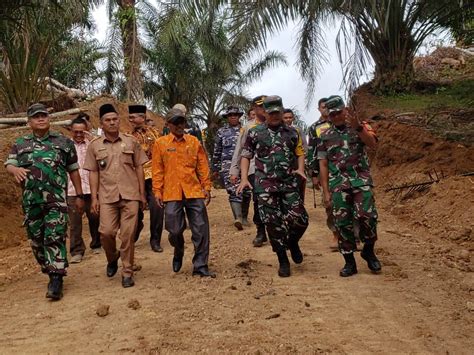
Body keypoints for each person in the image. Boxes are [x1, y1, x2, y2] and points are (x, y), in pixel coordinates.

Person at [5, 103, 84, 300]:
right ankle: (48, 268)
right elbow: (10, 164)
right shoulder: (20, 144)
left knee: (55, 236)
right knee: (37, 240)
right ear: (29, 122)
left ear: (49, 119)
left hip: (56, 201)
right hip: (32, 202)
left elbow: (73, 169)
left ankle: (56, 278)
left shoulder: (63, 142)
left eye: (44, 116)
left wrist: (80, 195)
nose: (41, 119)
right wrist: (15, 170)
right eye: (36, 116)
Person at [237, 96, 308, 277]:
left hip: (288, 183)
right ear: (265, 113)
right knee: (273, 224)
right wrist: (244, 178)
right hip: (265, 185)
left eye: (278, 112)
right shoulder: (255, 132)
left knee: (301, 219)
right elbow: (246, 155)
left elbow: (299, 152)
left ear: (282, 111)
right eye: (271, 112)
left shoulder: (292, 132)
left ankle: (292, 242)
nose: (275, 115)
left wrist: (300, 169)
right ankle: (283, 260)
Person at [84, 103, 148, 288]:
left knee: (127, 235)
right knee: (106, 233)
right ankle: (112, 258)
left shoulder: (130, 142)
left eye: (114, 119)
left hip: (130, 195)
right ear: (101, 124)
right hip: (107, 197)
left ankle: (127, 271)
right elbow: (93, 172)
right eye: (107, 120)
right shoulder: (94, 146)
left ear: (119, 121)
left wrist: (142, 194)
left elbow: (139, 167)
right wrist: (94, 198)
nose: (112, 123)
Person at [317, 95, 382, 277]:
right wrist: (326, 191)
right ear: (328, 115)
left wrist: (358, 128)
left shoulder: (360, 127)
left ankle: (369, 250)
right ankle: (349, 262)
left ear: (345, 110)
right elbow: (323, 164)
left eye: (339, 112)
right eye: (332, 114)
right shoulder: (324, 136)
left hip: (360, 181)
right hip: (338, 184)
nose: (336, 116)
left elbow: (373, 145)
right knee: (342, 223)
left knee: (367, 217)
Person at [152, 109, 216, 278]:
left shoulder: (194, 142)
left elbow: (202, 166)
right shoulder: (160, 143)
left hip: (193, 191)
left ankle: (200, 266)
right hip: (171, 192)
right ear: (168, 124)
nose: (180, 125)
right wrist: (157, 191)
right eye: (176, 122)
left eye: (182, 122)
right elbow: (157, 169)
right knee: (173, 230)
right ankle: (178, 249)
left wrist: (206, 187)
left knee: (201, 228)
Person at [230, 96, 268, 247]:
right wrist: (235, 170)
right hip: (254, 169)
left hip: (274, 170)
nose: (264, 109)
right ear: (254, 109)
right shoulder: (247, 128)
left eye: (266, 106)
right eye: (260, 106)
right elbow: (239, 150)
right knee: (258, 200)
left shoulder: (276, 124)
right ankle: (260, 231)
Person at [128, 104, 164, 252]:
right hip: (133, 177)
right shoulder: (125, 135)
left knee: (157, 207)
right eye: (130, 117)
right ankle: (134, 232)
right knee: (134, 209)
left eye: (134, 117)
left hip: (154, 175)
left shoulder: (155, 133)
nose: (130, 120)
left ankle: (155, 240)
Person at [307, 98, 340, 250]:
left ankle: (355, 236)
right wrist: (314, 173)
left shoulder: (340, 123)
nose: (326, 109)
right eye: (323, 107)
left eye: (328, 107)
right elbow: (312, 150)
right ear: (318, 109)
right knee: (330, 204)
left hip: (343, 167)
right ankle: (336, 234)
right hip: (324, 167)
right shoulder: (315, 127)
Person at [67, 117, 101, 264]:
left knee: (95, 217)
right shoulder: (66, 146)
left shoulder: (93, 144)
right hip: (72, 190)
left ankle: (97, 244)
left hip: (92, 188)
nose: (79, 134)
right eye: (76, 132)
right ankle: (77, 251)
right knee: (75, 223)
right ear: (71, 131)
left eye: (82, 131)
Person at [211, 106, 245, 230]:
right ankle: (238, 218)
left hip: (245, 164)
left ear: (239, 116)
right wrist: (215, 168)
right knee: (233, 190)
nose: (233, 117)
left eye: (235, 115)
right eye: (230, 115)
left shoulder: (245, 130)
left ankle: (244, 217)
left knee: (245, 191)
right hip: (227, 165)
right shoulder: (222, 132)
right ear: (227, 118)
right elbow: (217, 151)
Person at [282, 108, 308, 202]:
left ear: (293, 118)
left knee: (299, 186)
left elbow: (304, 146)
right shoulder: (278, 130)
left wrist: (304, 161)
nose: (288, 119)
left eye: (290, 117)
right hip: (283, 163)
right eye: (285, 118)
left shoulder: (297, 130)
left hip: (297, 162)